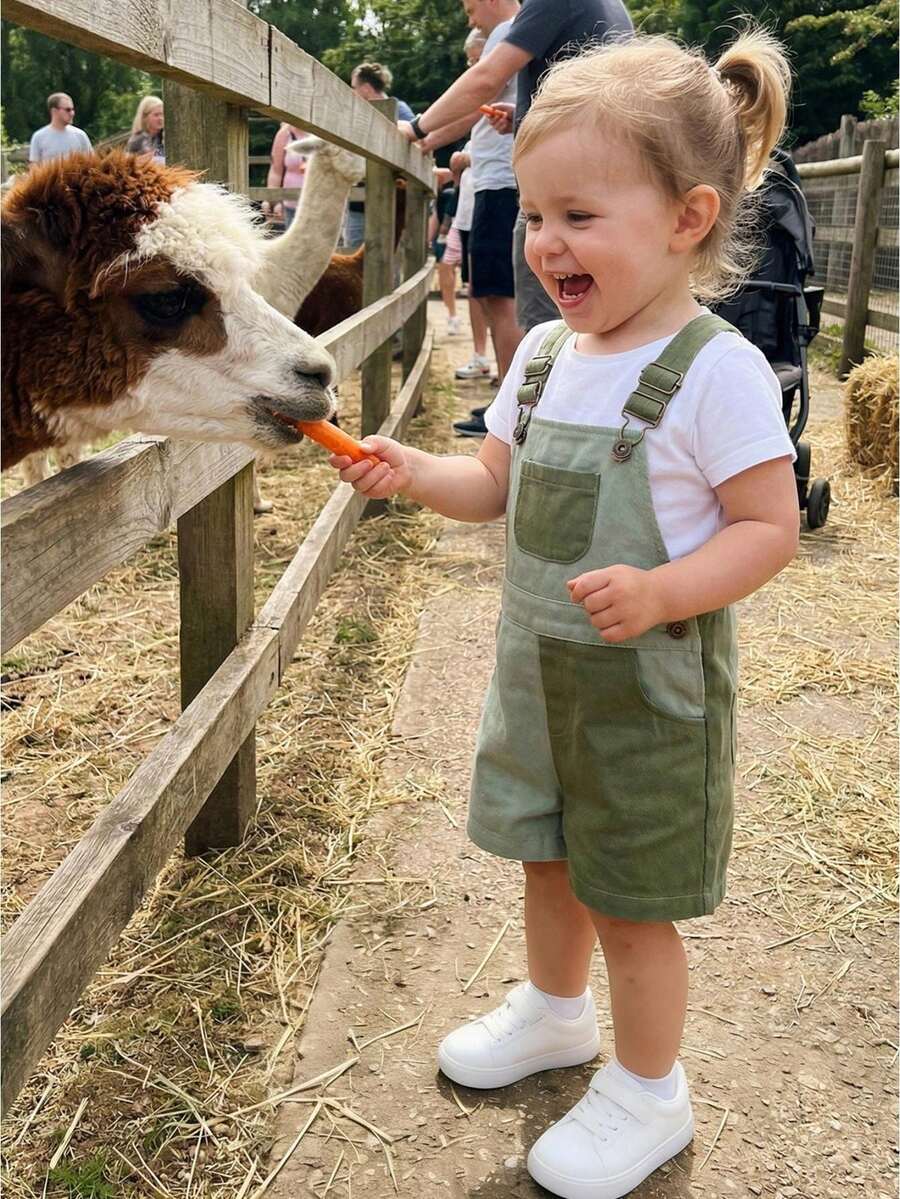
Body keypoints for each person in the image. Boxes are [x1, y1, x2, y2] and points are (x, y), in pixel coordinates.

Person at [328, 28, 799, 1199]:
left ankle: (650, 1088)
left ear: (688, 218)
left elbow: (768, 527)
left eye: (578, 217)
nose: (544, 243)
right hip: (541, 677)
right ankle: (552, 1013)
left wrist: (663, 589)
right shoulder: (540, 356)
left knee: (630, 898)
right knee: (546, 857)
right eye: (536, 215)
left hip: (648, 695)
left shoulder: (713, 369)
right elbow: (490, 487)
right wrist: (409, 469)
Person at [398, 0, 634, 332]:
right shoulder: (613, 6)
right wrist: (522, 116)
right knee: (597, 318)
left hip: (559, 187)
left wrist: (416, 128)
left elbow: (486, 78)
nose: (471, 21)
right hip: (601, 184)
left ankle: (543, 385)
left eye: (469, 11)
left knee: (545, 325)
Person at [343, 63, 415, 250]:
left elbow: (417, 143)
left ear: (366, 89)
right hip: (359, 197)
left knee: (389, 252)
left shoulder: (399, 109)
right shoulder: (356, 114)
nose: (352, 93)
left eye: (354, 87)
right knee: (353, 250)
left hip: (389, 195)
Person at [446, 146, 492, 378]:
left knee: (496, 294)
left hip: (487, 210)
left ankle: (508, 367)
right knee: (476, 290)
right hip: (468, 219)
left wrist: (466, 158)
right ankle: (480, 356)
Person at [428, 174, 462, 335]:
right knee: (447, 270)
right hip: (449, 231)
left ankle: (453, 315)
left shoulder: (449, 193)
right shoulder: (441, 196)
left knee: (446, 269)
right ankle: (452, 315)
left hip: (453, 230)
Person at [262, 122, 308, 231]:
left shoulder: (323, 132)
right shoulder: (284, 133)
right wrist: (273, 200)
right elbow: (275, 170)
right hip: (291, 205)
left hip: (318, 204)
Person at [28, 92, 91, 164]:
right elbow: (34, 167)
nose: (72, 113)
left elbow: (91, 163)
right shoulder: (39, 137)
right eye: (68, 110)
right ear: (54, 111)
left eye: (73, 109)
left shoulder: (80, 135)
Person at [126, 95, 165, 161]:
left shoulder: (165, 137)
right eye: (156, 115)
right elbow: (128, 164)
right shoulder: (137, 140)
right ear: (144, 117)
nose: (160, 118)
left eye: (162, 114)